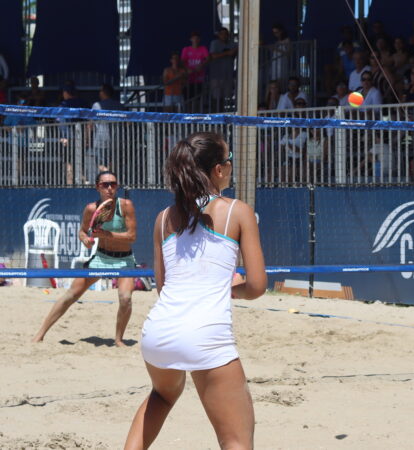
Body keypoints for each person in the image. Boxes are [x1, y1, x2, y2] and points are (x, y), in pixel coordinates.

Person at [125, 132, 266, 448]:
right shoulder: (236, 210)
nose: (230, 167)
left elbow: (163, 287)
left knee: (162, 395)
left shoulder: (163, 218)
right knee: (236, 441)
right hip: (205, 334)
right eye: (228, 161)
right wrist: (232, 290)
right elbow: (257, 287)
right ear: (218, 170)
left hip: (158, 333)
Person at [33, 171, 137, 346]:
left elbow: (132, 236)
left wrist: (106, 234)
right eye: (105, 184)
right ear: (98, 187)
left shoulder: (126, 205)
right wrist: (85, 240)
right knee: (71, 294)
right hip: (101, 257)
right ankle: (40, 335)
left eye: (113, 184)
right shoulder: (91, 208)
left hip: (124, 259)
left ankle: (118, 340)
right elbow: (83, 232)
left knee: (125, 298)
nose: (110, 188)